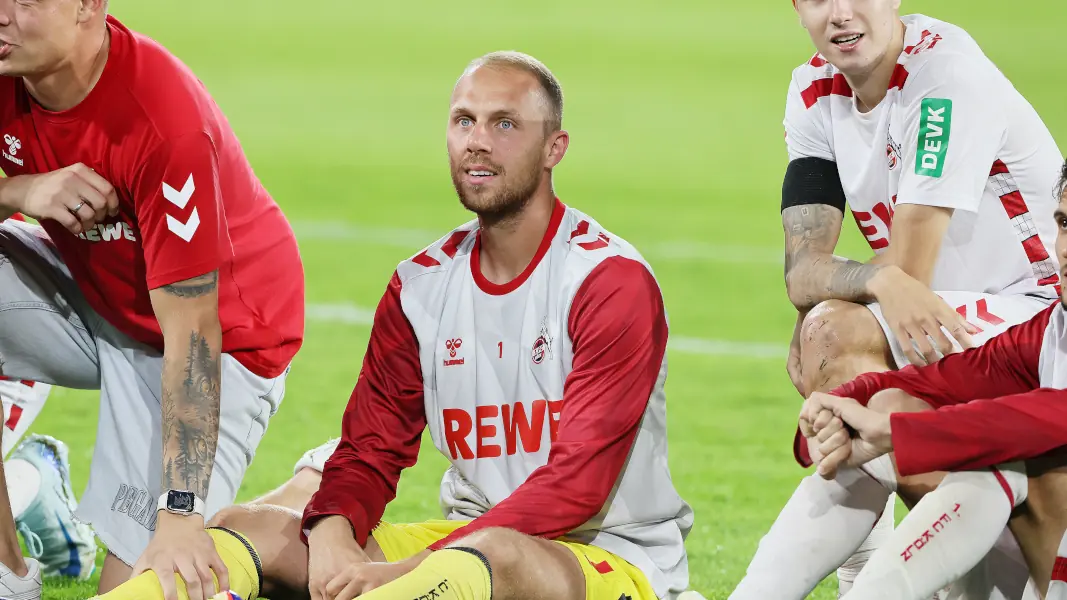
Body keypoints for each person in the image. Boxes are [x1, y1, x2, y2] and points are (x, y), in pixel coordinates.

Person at [95, 50, 694, 600]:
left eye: (505, 124)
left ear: (555, 147)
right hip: (466, 540)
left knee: (484, 559)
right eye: (464, 121)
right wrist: (332, 531)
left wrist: (407, 569)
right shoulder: (421, 285)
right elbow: (368, 451)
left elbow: (575, 487)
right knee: (246, 529)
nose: (478, 143)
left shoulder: (606, 281)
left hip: (603, 556)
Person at [732, 0, 1064, 598]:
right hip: (958, 320)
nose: (840, 13)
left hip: (1036, 311)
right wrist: (865, 294)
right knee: (835, 349)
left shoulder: (944, 80)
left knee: (846, 354)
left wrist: (867, 291)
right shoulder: (813, 90)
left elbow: (908, 269)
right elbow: (804, 272)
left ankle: (977, 578)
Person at [0, 1, 305, 599]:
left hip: (219, 342)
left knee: (146, 588)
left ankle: (307, 491)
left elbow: (194, 334)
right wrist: (22, 189)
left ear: (90, 6)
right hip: (97, 296)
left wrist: (181, 517)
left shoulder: (161, 120)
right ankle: (9, 574)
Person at [798, 160, 1067, 599]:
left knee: (1020, 460)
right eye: (1065, 224)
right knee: (891, 401)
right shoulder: (1054, 329)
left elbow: (1049, 417)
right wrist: (835, 406)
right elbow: (939, 381)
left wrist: (896, 432)